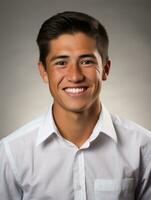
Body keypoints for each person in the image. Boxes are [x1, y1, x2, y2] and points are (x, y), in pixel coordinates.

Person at [0, 11, 151, 200]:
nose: (75, 76)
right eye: (61, 62)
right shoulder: (11, 153)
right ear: (44, 72)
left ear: (105, 69)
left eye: (87, 61)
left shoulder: (144, 148)